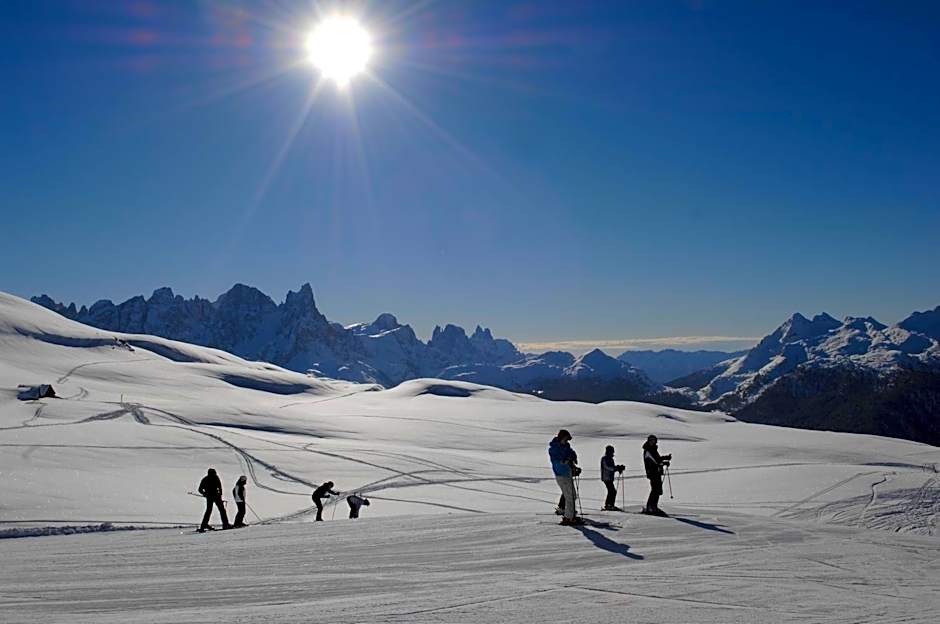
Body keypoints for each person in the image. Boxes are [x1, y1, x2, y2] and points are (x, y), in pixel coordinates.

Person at [548, 429, 583, 525]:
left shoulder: (566, 447)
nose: (567, 440)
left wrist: (574, 465)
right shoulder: (554, 448)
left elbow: (571, 455)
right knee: (570, 496)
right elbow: (556, 461)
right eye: (566, 438)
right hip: (561, 475)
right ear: (562, 437)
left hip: (567, 474)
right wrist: (563, 462)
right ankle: (568, 517)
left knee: (573, 496)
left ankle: (570, 515)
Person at [642, 435, 672, 516]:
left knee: (657, 490)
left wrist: (665, 458)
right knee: (655, 490)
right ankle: (650, 507)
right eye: (651, 440)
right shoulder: (648, 450)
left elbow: (657, 459)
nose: (653, 442)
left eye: (654, 440)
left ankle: (653, 506)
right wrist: (663, 462)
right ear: (648, 441)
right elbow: (654, 461)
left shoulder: (652, 449)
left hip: (656, 472)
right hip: (653, 473)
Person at [197, 468, 231, 532]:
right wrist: (220, 495)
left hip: (209, 497)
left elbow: (199, 489)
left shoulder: (205, 479)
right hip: (216, 496)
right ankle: (225, 524)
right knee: (222, 510)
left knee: (208, 511)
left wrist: (205, 494)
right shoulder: (216, 478)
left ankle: (203, 526)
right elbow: (220, 487)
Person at [600, 445, 626, 511]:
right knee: (612, 491)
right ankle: (609, 505)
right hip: (606, 478)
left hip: (609, 477)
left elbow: (612, 467)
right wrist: (616, 468)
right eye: (611, 451)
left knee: (612, 491)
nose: (612, 453)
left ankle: (610, 505)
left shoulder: (610, 458)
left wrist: (618, 467)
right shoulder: (605, 458)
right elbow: (608, 467)